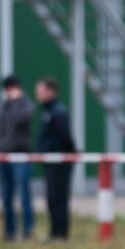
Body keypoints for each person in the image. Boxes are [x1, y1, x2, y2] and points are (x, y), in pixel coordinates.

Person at [0, 74, 35, 241]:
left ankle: (28, 231)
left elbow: (23, 118)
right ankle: (9, 232)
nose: (10, 91)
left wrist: (18, 100)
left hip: (20, 156)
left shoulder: (25, 105)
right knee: (6, 198)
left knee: (24, 196)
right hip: (2, 156)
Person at [34, 76, 77, 240]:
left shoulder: (58, 111)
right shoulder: (48, 111)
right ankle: (54, 232)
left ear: (51, 92)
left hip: (59, 162)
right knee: (52, 198)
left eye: (41, 91)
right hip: (50, 162)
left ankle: (60, 233)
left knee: (59, 198)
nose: (38, 94)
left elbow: (65, 136)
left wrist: (68, 154)